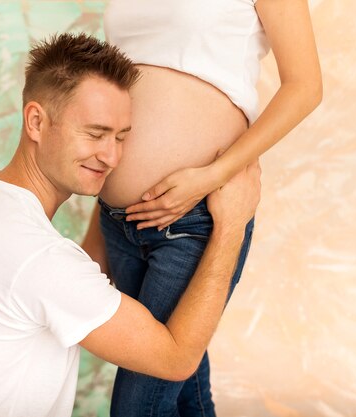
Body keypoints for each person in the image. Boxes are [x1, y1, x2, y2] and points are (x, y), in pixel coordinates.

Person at [0, 33, 261, 417]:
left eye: (121, 137)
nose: (111, 156)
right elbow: (175, 359)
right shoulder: (40, 259)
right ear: (36, 121)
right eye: (95, 134)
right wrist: (231, 225)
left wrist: (111, 199)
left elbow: (69, 280)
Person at [80, 1, 322, 416]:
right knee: (184, 388)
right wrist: (100, 215)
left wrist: (212, 176)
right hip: (118, 222)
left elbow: (306, 86)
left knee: (138, 406)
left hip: (196, 217)